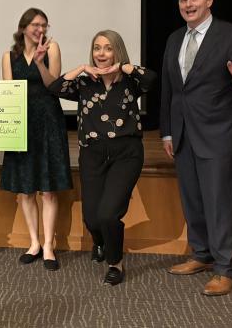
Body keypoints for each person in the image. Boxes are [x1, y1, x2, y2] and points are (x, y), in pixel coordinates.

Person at [160, 0, 232, 296]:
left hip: (219, 134)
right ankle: (202, 254)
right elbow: (170, 89)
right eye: (183, 0)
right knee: (193, 200)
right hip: (183, 134)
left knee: (219, 203)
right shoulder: (174, 38)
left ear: (209, 1)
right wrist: (167, 131)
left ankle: (224, 268)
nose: (188, 5)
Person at [49, 30, 157, 284]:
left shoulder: (130, 82)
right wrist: (81, 68)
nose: (101, 53)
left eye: (108, 48)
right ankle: (99, 241)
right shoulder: (85, 83)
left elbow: (151, 78)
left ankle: (115, 263)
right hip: (92, 154)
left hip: (126, 153)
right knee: (92, 218)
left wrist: (123, 67)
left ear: (117, 51)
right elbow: (55, 88)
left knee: (108, 214)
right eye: (97, 48)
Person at [0, 8, 73, 270]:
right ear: (23, 27)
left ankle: (49, 246)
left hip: (48, 121)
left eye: (44, 25)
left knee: (49, 189)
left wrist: (40, 63)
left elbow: (55, 86)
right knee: (26, 189)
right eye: (35, 25)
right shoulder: (9, 56)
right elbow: (8, 92)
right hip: (21, 124)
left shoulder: (52, 48)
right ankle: (34, 243)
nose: (40, 29)